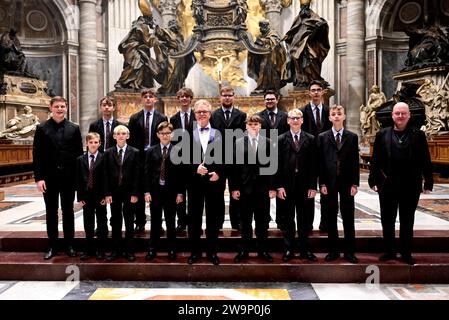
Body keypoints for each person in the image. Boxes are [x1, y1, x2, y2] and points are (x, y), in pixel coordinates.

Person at [369, 102, 433, 265]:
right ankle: (390, 251)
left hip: (410, 184)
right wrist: (373, 179)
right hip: (387, 183)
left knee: (407, 219)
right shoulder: (382, 134)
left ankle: (406, 252)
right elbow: (375, 159)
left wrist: (428, 181)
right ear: (392, 115)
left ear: (409, 116)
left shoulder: (418, 135)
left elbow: (426, 159)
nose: (400, 116)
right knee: (387, 219)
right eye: (397, 113)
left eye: (403, 113)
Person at [33, 96, 83, 260]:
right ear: (51, 108)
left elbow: (78, 155)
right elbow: (37, 155)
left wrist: (78, 179)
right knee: (51, 212)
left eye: (63, 106)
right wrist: (39, 178)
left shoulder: (74, 128)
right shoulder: (42, 128)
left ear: (66, 108)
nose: (60, 109)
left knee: (68, 212)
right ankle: (53, 245)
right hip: (49, 178)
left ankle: (70, 245)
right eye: (57, 106)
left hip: (68, 177)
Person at [231, 115, 277, 263]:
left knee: (262, 221)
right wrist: (234, 187)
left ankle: (262, 250)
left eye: (256, 124)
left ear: (260, 126)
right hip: (245, 188)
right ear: (246, 126)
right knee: (245, 222)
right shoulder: (238, 143)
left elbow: (272, 167)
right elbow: (234, 168)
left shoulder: (268, 143)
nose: (253, 126)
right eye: (250, 124)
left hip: (262, 189)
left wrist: (272, 187)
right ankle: (244, 250)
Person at [318, 105, 359, 264]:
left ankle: (349, 251)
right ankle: (333, 250)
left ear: (344, 116)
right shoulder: (323, 137)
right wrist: (321, 182)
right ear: (329, 118)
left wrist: (355, 183)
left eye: (339, 114)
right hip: (329, 181)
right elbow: (320, 162)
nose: (336, 116)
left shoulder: (352, 136)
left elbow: (355, 161)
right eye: (333, 114)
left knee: (348, 216)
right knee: (330, 216)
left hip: (347, 181)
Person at [276, 108, 318, 262]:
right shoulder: (280, 139)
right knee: (287, 220)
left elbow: (315, 165)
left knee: (305, 220)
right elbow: (277, 165)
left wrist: (313, 186)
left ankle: (305, 249)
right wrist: (278, 186)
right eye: (292, 118)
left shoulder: (311, 139)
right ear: (288, 121)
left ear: (302, 120)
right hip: (286, 187)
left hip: (305, 186)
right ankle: (288, 249)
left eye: (298, 118)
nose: (295, 120)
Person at [185, 99, 223, 265]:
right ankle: (195, 252)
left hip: (213, 182)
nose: (202, 114)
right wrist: (195, 168)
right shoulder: (187, 132)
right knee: (194, 218)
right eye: (199, 112)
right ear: (195, 114)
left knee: (213, 219)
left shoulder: (219, 132)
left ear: (210, 114)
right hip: (195, 183)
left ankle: (212, 252)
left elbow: (228, 156)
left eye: (205, 112)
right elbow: (182, 159)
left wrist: (219, 172)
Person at [128, 88, 168, 232]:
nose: (148, 99)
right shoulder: (134, 118)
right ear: (142, 99)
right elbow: (131, 140)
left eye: (151, 96)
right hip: (139, 156)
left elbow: (164, 136)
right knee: (139, 189)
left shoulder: (162, 118)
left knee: (157, 190)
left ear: (155, 99)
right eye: (146, 96)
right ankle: (140, 221)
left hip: (156, 156)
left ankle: (159, 223)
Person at [144, 122, 184, 261]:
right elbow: (147, 172)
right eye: (162, 133)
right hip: (155, 191)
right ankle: (152, 249)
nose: (165, 136)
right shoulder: (150, 151)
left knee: (171, 222)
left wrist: (180, 192)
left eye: (167, 133)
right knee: (155, 222)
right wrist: (147, 191)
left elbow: (180, 174)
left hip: (171, 191)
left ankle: (171, 249)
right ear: (157, 135)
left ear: (172, 134)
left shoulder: (178, 150)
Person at [210, 86, 247, 231]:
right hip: (218, 160)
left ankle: (236, 222)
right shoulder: (213, 116)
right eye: (224, 95)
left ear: (234, 96)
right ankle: (218, 222)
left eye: (229, 95)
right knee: (217, 192)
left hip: (235, 160)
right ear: (220, 97)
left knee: (236, 191)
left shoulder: (241, 115)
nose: (227, 97)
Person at [104, 125, 140, 262]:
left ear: (128, 136)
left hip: (129, 192)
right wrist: (107, 193)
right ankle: (116, 250)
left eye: (123, 133)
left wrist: (135, 193)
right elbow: (105, 174)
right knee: (115, 221)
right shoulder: (108, 152)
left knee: (129, 221)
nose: (120, 136)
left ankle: (129, 250)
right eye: (118, 133)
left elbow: (137, 174)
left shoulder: (135, 152)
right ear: (114, 136)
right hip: (114, 192)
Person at [255, 90, 289, 230]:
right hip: (264, 156)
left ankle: (281, 219)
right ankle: (264, 217)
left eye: (272, 99)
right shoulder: (259, 117)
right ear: (264, 101)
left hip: (282, 155)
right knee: (265, 189)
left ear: (277, 99)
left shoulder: (285, 116)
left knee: (280, 186)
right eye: (267, 99)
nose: (269, 101)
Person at [301, 80, 332, 232]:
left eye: (318, 90)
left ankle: (325, 223)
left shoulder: (329, 112)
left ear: (323, 92)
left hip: (326, 157)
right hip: (308, 157)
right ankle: (307, 224)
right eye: (313, 90)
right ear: (309, 92)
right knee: (309, 191)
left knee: (327, 190)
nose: (316, 92)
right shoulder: (302, 111)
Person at [283, 0, 330, 88]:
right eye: (302, 7)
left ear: (309, 7)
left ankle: (314, 79)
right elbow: (293, 30)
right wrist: (288, 36)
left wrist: (320, 27)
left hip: (310, 44)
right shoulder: (297, 19)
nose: (304, 9)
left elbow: (322, 25)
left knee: (312, 59)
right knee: (298, 60)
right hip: (297, 45)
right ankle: (302, 80)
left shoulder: (314, 17)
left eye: (306, 7)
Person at [76, 132, 108, 260]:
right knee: (88, 223)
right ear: (86, 144)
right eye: (91, 142)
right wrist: (80, 198)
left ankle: (101, 249)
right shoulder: (80, 160)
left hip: (100, 196)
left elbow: (106, 177)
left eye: (96, 142)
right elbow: (78, 179)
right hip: (86, 196)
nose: (93, 145)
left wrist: (106, 196)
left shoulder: (104, 157)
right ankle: (89, 249)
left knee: (101, 222)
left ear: (100, 144)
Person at [169, 87, 195, 232]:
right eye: (181, 97)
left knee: (191, 192)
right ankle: (181, 221)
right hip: (179, 160)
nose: (184, 99)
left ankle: (191, 220)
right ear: (178, 99)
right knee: (178, 192)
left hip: (193, 160)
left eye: (187, 96)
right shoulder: (173, 119)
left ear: (191, 99)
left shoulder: (196, 117)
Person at [114, 15, 165, 89]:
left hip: (132, 48)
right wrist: (156, 39)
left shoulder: (139, 25)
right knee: (136, 65)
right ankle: (122, 82)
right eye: (152, 21)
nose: (152, 24)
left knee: (142, 65)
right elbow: (147, 41)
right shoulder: (143, 26)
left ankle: (136, 83)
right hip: (133, 48)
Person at [155, 20, 196, 95]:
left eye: (176, 24)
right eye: (173, 24)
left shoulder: (180, 36)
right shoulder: (168, 32)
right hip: (172, 56)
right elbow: (159, 34)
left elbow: (183, 46)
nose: (175, 25)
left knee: (179, 74)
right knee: (171, 72)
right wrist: (155, 25)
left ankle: (177, 88)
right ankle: (169, 89)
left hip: (181, 57)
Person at [247, 20, 288, 94]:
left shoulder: (273, 33)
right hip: (263, 56)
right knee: (262, 69)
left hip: (273, 58)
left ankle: (267, 87)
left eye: (263, 26)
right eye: (260, 27)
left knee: (267, 69)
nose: (261, 29)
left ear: (266, 26)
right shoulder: (261, 35)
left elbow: (275, 42)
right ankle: (264, 87)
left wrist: (263, 41)